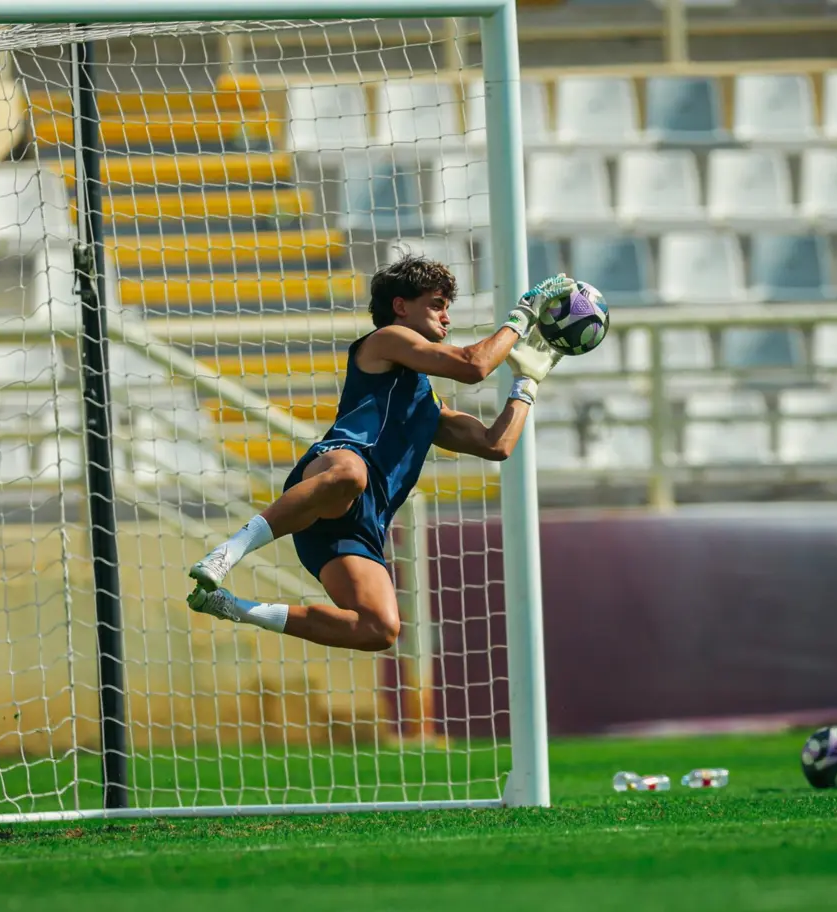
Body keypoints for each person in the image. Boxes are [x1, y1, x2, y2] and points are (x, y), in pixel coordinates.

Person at [186, 254, 572, 651]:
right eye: (436, 305)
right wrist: (523, 315)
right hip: (333, 472)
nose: (446, 318)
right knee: (352, 475)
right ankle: (226, 553)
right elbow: (472, 365)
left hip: (360, 526)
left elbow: (496, 445)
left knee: (379, 629)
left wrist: (526, 383)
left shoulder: (427, 405)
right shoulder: (386, 339)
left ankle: (234, 607)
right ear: (400, 306)